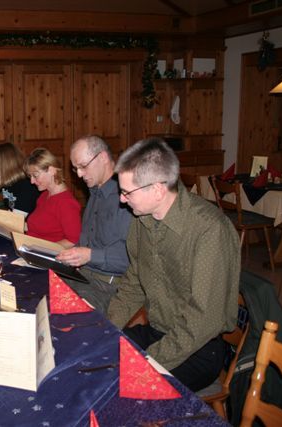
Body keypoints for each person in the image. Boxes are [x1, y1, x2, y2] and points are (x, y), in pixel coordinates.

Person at [108, 137, 240, 392]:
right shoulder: (142, 221)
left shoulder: (209, 230)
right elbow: (134, 283)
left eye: (127, 192)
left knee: (120, 388)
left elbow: (203, 320)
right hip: (158, 332)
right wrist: (107, 329)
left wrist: (149, 360)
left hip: (198, 349)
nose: (122, 200)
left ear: (157, 190)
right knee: (95, 355)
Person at [55, 135, 132, 312]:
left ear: (103, 157)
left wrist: (89, 255)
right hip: (84, 276)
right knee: (37, 291)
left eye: (83, 166)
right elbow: (88, 242)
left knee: (62, 314)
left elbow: (131, 260)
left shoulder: (126, 196)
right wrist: (70, 255)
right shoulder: (96, 192)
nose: (79, 174)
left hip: (109, 286)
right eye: (76, 169)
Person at [23, 148, 81, 248]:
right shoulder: (45, 195)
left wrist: (40, 249)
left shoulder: (66, 203)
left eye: (35, 175)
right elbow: (37, 227)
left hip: (46, 254)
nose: (32, 181)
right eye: (30, 176)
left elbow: (73, 241)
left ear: (51, 170)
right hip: (30, 247)